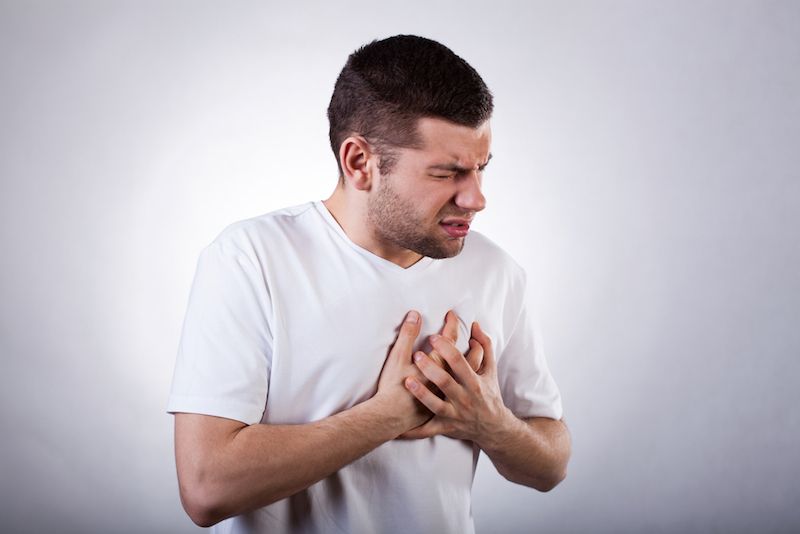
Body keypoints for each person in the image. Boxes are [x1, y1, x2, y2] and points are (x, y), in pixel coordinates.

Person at [168, 34, 571, 533]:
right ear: (360, 163)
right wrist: (386, 416)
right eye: (448, 174)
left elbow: (550, 464)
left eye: (481, 170)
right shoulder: (252, 260)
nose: (476, 199)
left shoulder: (496, 272)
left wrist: (492, 423)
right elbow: (208, 488)